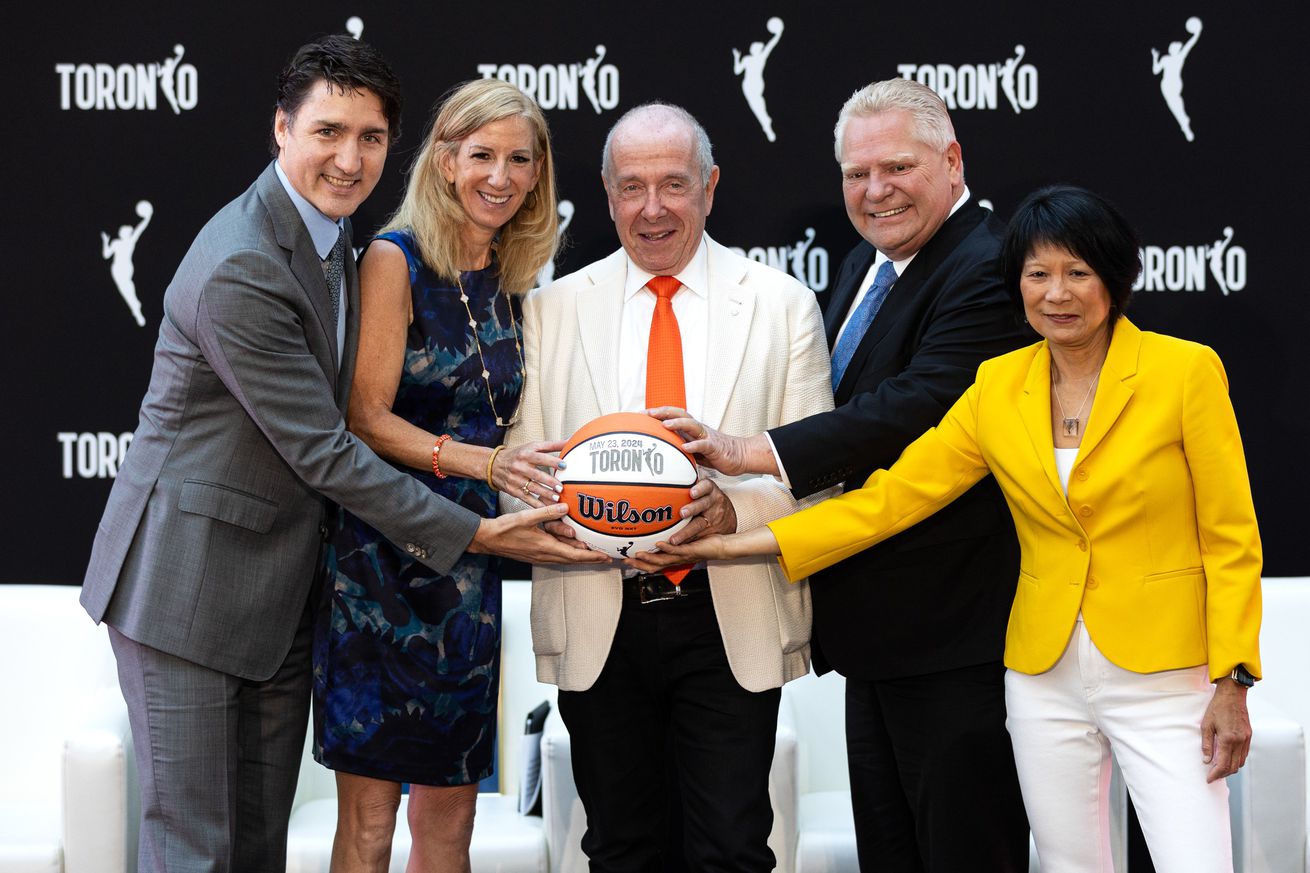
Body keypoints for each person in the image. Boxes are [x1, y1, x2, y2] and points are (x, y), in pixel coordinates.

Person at [80, 37, 595, 873]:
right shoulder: (242, 263)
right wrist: (483, 529)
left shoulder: (330, 240)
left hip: (282, 590)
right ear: (280, 128)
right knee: (195, 848)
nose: (348, 159)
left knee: (253, 847)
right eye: (327, 131)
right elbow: (329, 447)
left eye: (368, 137)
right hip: (192, 588)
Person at [640, 185, 1263, 873]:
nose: (1057, 293)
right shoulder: (998, 384)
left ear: (1114, 278)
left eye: (1078, 272)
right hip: (1042, 672)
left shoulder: (1184, 371)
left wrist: (1232, 678)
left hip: (1166, 673)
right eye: (1037, 273)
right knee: (1068, 863)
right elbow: (894, 498)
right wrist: (730, 542)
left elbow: (1230, 537)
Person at [650, 78, 1031, 871]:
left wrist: (746, 449)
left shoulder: (990, 264)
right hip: (879, 637)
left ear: (952, 160)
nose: (875, 190)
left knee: (964, 850)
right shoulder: (871, 260)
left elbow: (915, 406)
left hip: (956, 637)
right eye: (857, 174)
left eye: (896, 167)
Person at [501, 102, 834, 872]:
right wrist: (584, 518)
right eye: (632, 187)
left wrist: (729, 509)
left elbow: (819, 478)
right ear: (609, 194)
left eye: (674, 184)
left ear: (710, 187)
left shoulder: (783, 306)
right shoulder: (551, 311)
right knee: (621, 850)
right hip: (598, 616)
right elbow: (519, 471)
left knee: (732, 849)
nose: (653, 208)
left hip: (729, 615)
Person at [313, 78, 598, 873]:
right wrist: (485, 462)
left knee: (450, 828)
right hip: (379, 567)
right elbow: (366, 417)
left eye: (519, 158)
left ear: (539, 173)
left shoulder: (513, 279)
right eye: (481, 155)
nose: (499, 176)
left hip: (470, 573)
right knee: (368, 831)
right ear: (444, 160)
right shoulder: (392, 259)